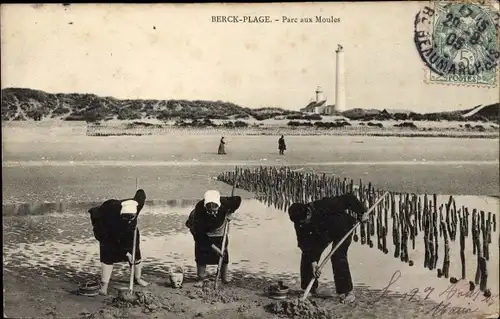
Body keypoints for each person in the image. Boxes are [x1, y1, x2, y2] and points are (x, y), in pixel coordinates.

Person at [287, 192, 369, 304]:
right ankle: (309, 288)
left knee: (337, 255)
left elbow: (349, 198)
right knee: (307, 256)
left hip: (342, 228)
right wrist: (313, 262)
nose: (302, 225)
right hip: (322, 233)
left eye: (304, 222)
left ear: (308, 213)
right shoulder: (299, 220)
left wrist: (362, 212)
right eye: (300, 223)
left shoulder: (324, 205)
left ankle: (347, 292)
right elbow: (304, 243)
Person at [88, 189, 149, 295]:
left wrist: (140, 191)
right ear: (121, 214)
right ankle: (104, 285)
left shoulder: (136, 206)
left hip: (130, 233)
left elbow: (141, 195)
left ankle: (137, 278)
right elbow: (113, 240)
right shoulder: (111, 219)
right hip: (107, 234)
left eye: (132, 217)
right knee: (108, 255)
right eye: (126, 217)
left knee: (136, 254)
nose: (129, 220)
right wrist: (126, 253)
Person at [185, 190, 242, 285]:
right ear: (205, 207)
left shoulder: (225, 203)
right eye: (209, 211)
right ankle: (201, 279)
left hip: (219, 228)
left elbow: (238, 200)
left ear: (219, 206)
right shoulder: (199, 210)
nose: (212, 213)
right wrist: (214, 248)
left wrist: (230, 212)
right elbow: (200, 236)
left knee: (223, 254)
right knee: (201, 253)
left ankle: (224, 278)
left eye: (214, 211)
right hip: (201, 230)